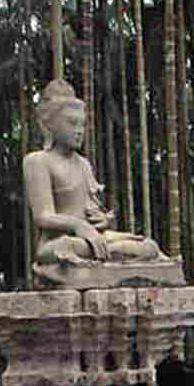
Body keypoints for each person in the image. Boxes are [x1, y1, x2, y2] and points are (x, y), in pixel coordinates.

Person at [24, 79, 162, 266]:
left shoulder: (83, 164)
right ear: (51, 125)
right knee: (68, 246)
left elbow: (90, 210)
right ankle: (111, 257)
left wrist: (102, 219)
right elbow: (43, 216)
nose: (79, 131)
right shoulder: (38, 161)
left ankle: (109, 256)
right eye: (72, 124)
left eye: (82, 125)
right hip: (58, 243)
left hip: (93, 238)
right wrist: (77, 225)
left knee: (148, 245)